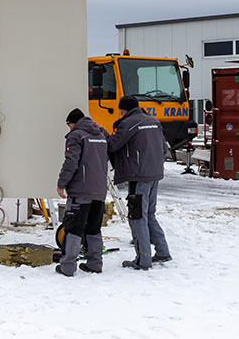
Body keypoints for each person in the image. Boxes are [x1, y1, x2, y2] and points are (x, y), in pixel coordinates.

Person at [108, 95, 172, 270]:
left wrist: (104, 134)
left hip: (138, 175)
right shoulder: (154, 121)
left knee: (137, 216)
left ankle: (143, 259)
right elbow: (164, 148)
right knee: (149, 213)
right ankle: (162, 251)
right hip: (155, 174)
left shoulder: (128, 123)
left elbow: (112, 145)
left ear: (123, 109)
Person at [55, 108, 109, 276]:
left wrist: (61, 183)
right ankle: (95, 263)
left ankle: (68, 267)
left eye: (69, 125)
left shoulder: (76, 136)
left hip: (81, 190)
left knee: (73, 228)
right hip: (99, 190)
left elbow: (71, 162)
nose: (69, 128)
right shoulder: (100, 135)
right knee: (94, 228)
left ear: (72, 123)